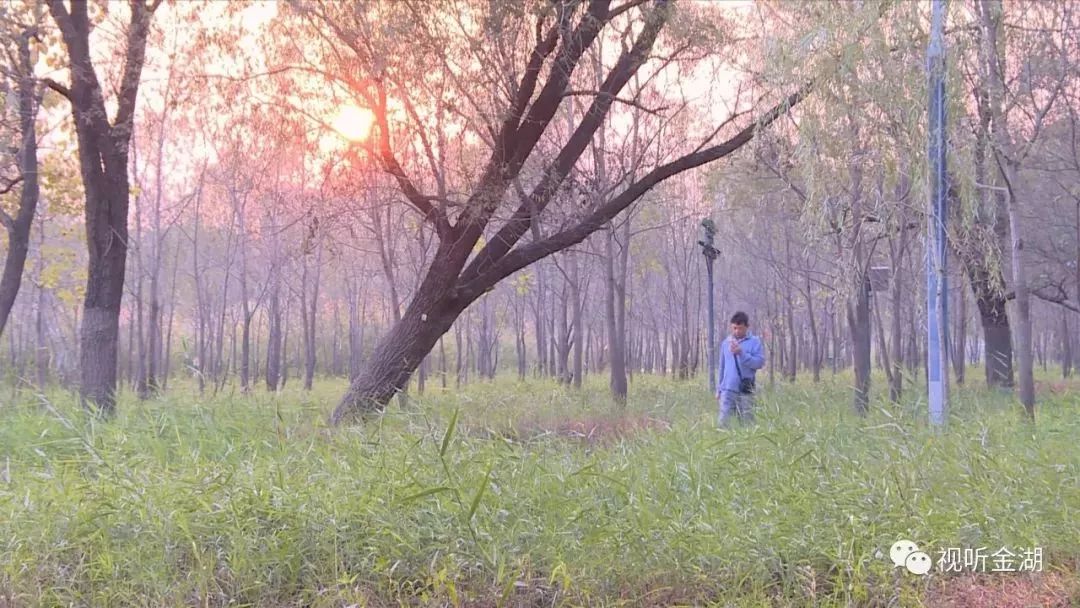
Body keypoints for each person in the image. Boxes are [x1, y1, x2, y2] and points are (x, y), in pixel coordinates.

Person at [716, 311, 766, 428]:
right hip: (727, 390)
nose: (737, 331)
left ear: (747, 327)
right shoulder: (725, 343)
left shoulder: (755, 342)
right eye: (735, 328)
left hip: (745, 389)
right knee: (723, 423)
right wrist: (719, 389)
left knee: (747, 422)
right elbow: (722, 367)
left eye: (740, 328)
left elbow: (758, 363)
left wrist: (741, 353)